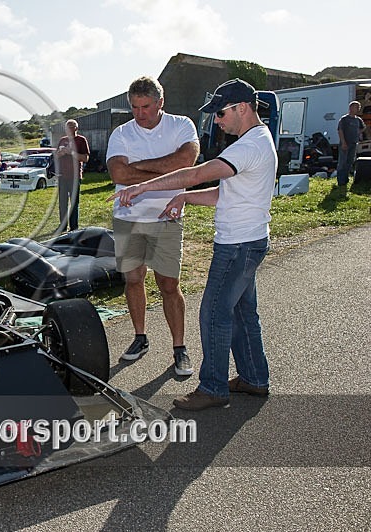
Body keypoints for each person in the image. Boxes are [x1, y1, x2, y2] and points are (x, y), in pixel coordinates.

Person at [111, 78, 276, 411]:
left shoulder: (248, 145)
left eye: (221, 113)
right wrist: (184, 196)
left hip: (238, 245)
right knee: (244, 314)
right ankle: (254, 379)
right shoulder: (258, 140)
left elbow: (195, 172)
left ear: (241, 108)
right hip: (249, 241)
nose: (217, 120)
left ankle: (213, 387)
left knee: (214, 314)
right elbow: (221, 192)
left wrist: (144, 188)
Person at [105, 76, 200, 376]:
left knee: (169, 285)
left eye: (146, 107)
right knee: (133, 280)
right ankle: (140, 338)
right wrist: (166, 171)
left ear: (161, 102)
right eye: (134, 107)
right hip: (128, 218)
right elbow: (118, 173)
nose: (139, 113)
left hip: (166, 218)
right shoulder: (121, 133)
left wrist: (139, 171)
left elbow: (185, 163)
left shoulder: (182, 125)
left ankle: (179, 347)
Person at [55, 119, 90, 232]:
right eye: (67, 127)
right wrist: (61, 153)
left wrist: (71, 152)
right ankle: (62, 226)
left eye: (71, 127)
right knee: (62, 203)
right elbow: (56, 156)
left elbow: (85, 158)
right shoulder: (62, 140)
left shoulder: (81, 140)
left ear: (76, 128)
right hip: (62, 175)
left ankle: (74, 227)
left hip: (74, 176)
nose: (69, 129)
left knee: (74, 202)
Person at [336, 100, 366, 186]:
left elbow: (363, 127)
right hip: (345, 143)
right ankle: (340, 181)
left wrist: (358, 132)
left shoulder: (358, 120)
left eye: (359, 108)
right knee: (342, 162)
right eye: (357, 107)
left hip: (354, 143)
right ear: (351, 108)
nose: (358, 109)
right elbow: (340, 131)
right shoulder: (344, 119)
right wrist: (343, 142)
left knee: (350, 161)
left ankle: (346, 179)